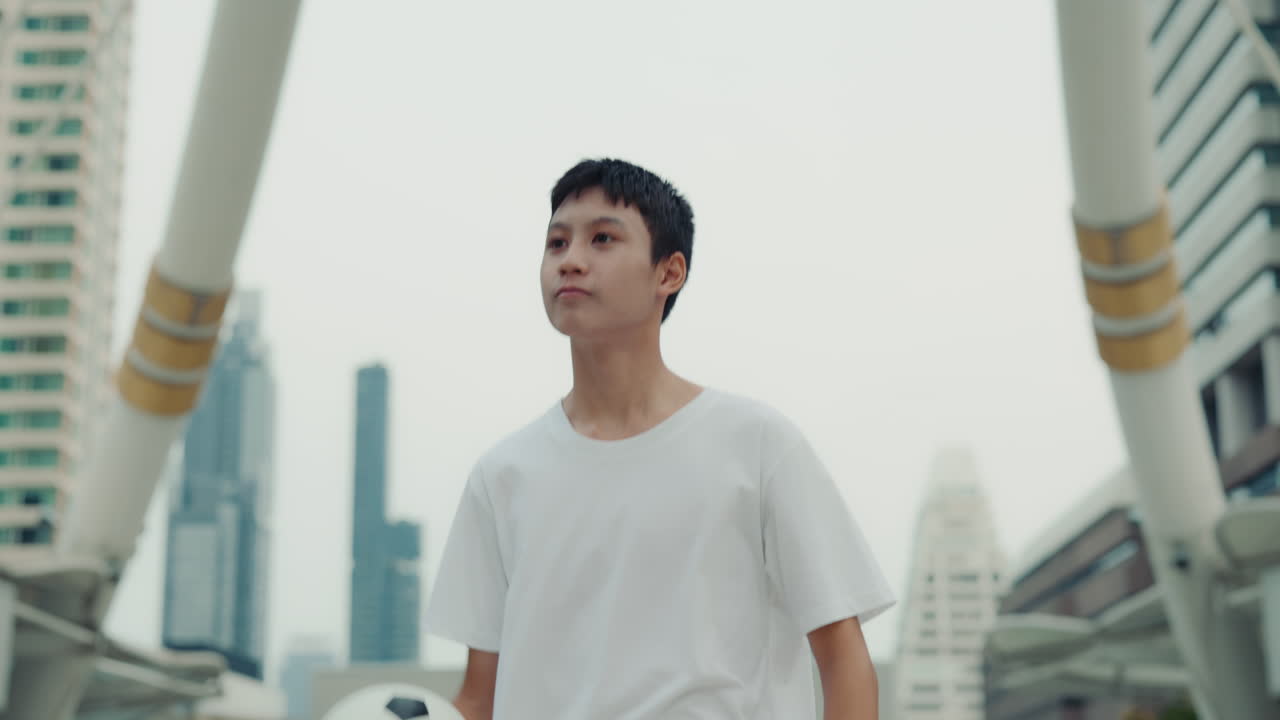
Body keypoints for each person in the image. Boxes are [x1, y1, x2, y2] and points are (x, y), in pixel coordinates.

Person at [424, 158, 895, 720]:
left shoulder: (757, 446)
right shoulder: (502, 475)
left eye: (602, 238)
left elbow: (843, 661)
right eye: (556, 243)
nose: (570, 260)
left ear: (669, 273)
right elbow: (480, 698)